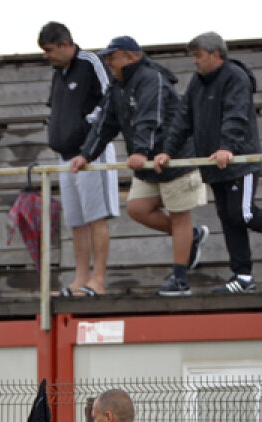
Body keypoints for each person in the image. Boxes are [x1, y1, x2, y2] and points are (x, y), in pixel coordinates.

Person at [155, 32, 262, 295]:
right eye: (193, 56)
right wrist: (167, 151)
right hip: (214, 165)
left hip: (240, 162)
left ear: (215, 55)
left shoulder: (236, 77)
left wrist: (227, 147)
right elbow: (182, 119)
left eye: (198, 56)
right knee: (228, 218)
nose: (195, 62)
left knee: (242, 214)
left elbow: (236, 115)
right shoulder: (197, 83)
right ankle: (243, 276)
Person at [71, 36, 208, 298]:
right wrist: (86, 155)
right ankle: (192, 237)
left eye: (113, 56)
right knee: (137, 209)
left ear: (130, 57)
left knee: (179, 216)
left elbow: (150, 116)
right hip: (147, 164)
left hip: (175, 157)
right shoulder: (117, 85)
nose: (109, 62)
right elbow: (105, 123)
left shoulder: (150, 78)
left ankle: (180, 280)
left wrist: (140, 151)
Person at [38, 22, 118, 297]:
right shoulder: (58, 73)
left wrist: (88, 126)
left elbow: (110, 97)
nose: (45, 56)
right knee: (76, 220)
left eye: (48, 50)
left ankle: (98, 279)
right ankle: (80, 279)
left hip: (92, 153)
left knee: (96, 217)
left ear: (64, 44)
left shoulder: (90, 62)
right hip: (66, 156)